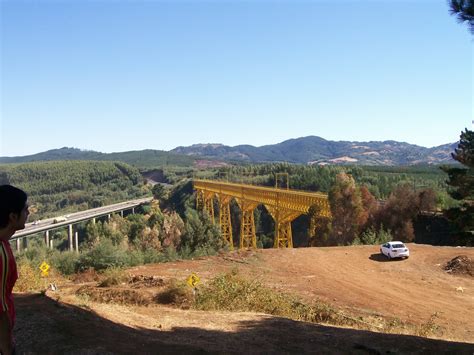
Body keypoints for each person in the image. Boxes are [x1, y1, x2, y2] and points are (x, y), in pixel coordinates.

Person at [0, 185, 29, 355]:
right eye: (25, 209)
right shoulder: (1, 252)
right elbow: (1, 307)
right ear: (12, 216)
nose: (29, 213)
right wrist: (6, 346)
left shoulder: (4, 243)